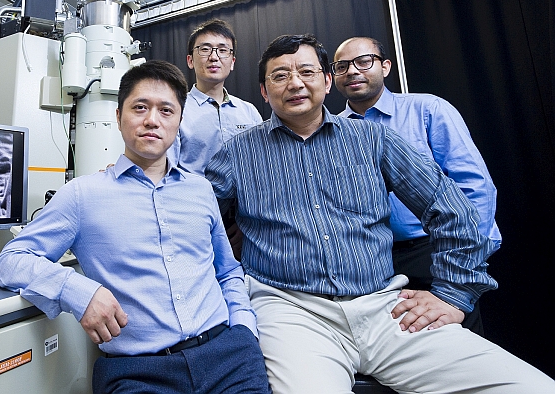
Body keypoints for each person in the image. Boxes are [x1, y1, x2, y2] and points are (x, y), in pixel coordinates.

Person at [204, 34, 555, 393]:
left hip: (384, 307)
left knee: (530, 386)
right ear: (264, 92)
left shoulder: (373, 138)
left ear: (327, 81)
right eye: (279, 76)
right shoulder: (237, 153)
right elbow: (192, 217)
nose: (295, 82)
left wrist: (453, 294)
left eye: (306, 71)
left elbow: (450, 206)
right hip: (292, 312)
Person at [0, 60, 270, 394]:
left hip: (228, 357)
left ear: (179, 121)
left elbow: (227, 272)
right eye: (140, 107)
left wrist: (244, 328)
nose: (152, 120)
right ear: (119, 116)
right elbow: (10, 260)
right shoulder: (82, 195)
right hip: (139, 373)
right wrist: (79, 291)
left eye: (166, 110)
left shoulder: (201, 190)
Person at [332, 36, 500, 335]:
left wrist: (469, 257)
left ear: (385, 66)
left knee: (459, 350)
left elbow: (475, 187)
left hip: (436, 250)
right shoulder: (332, 131)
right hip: (372, 263)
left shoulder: (427, 110)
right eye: (342, 66)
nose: (353, 71)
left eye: (363, 61)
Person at [167, 19, 263, 175]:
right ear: (190, 61)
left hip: (245, 198)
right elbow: (167, 168)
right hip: (194, 197)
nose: (214, 57)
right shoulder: (175, 108)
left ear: (232, 63)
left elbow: (261, 161)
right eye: (205, 49)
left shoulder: (249, 112)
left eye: (223, 50)